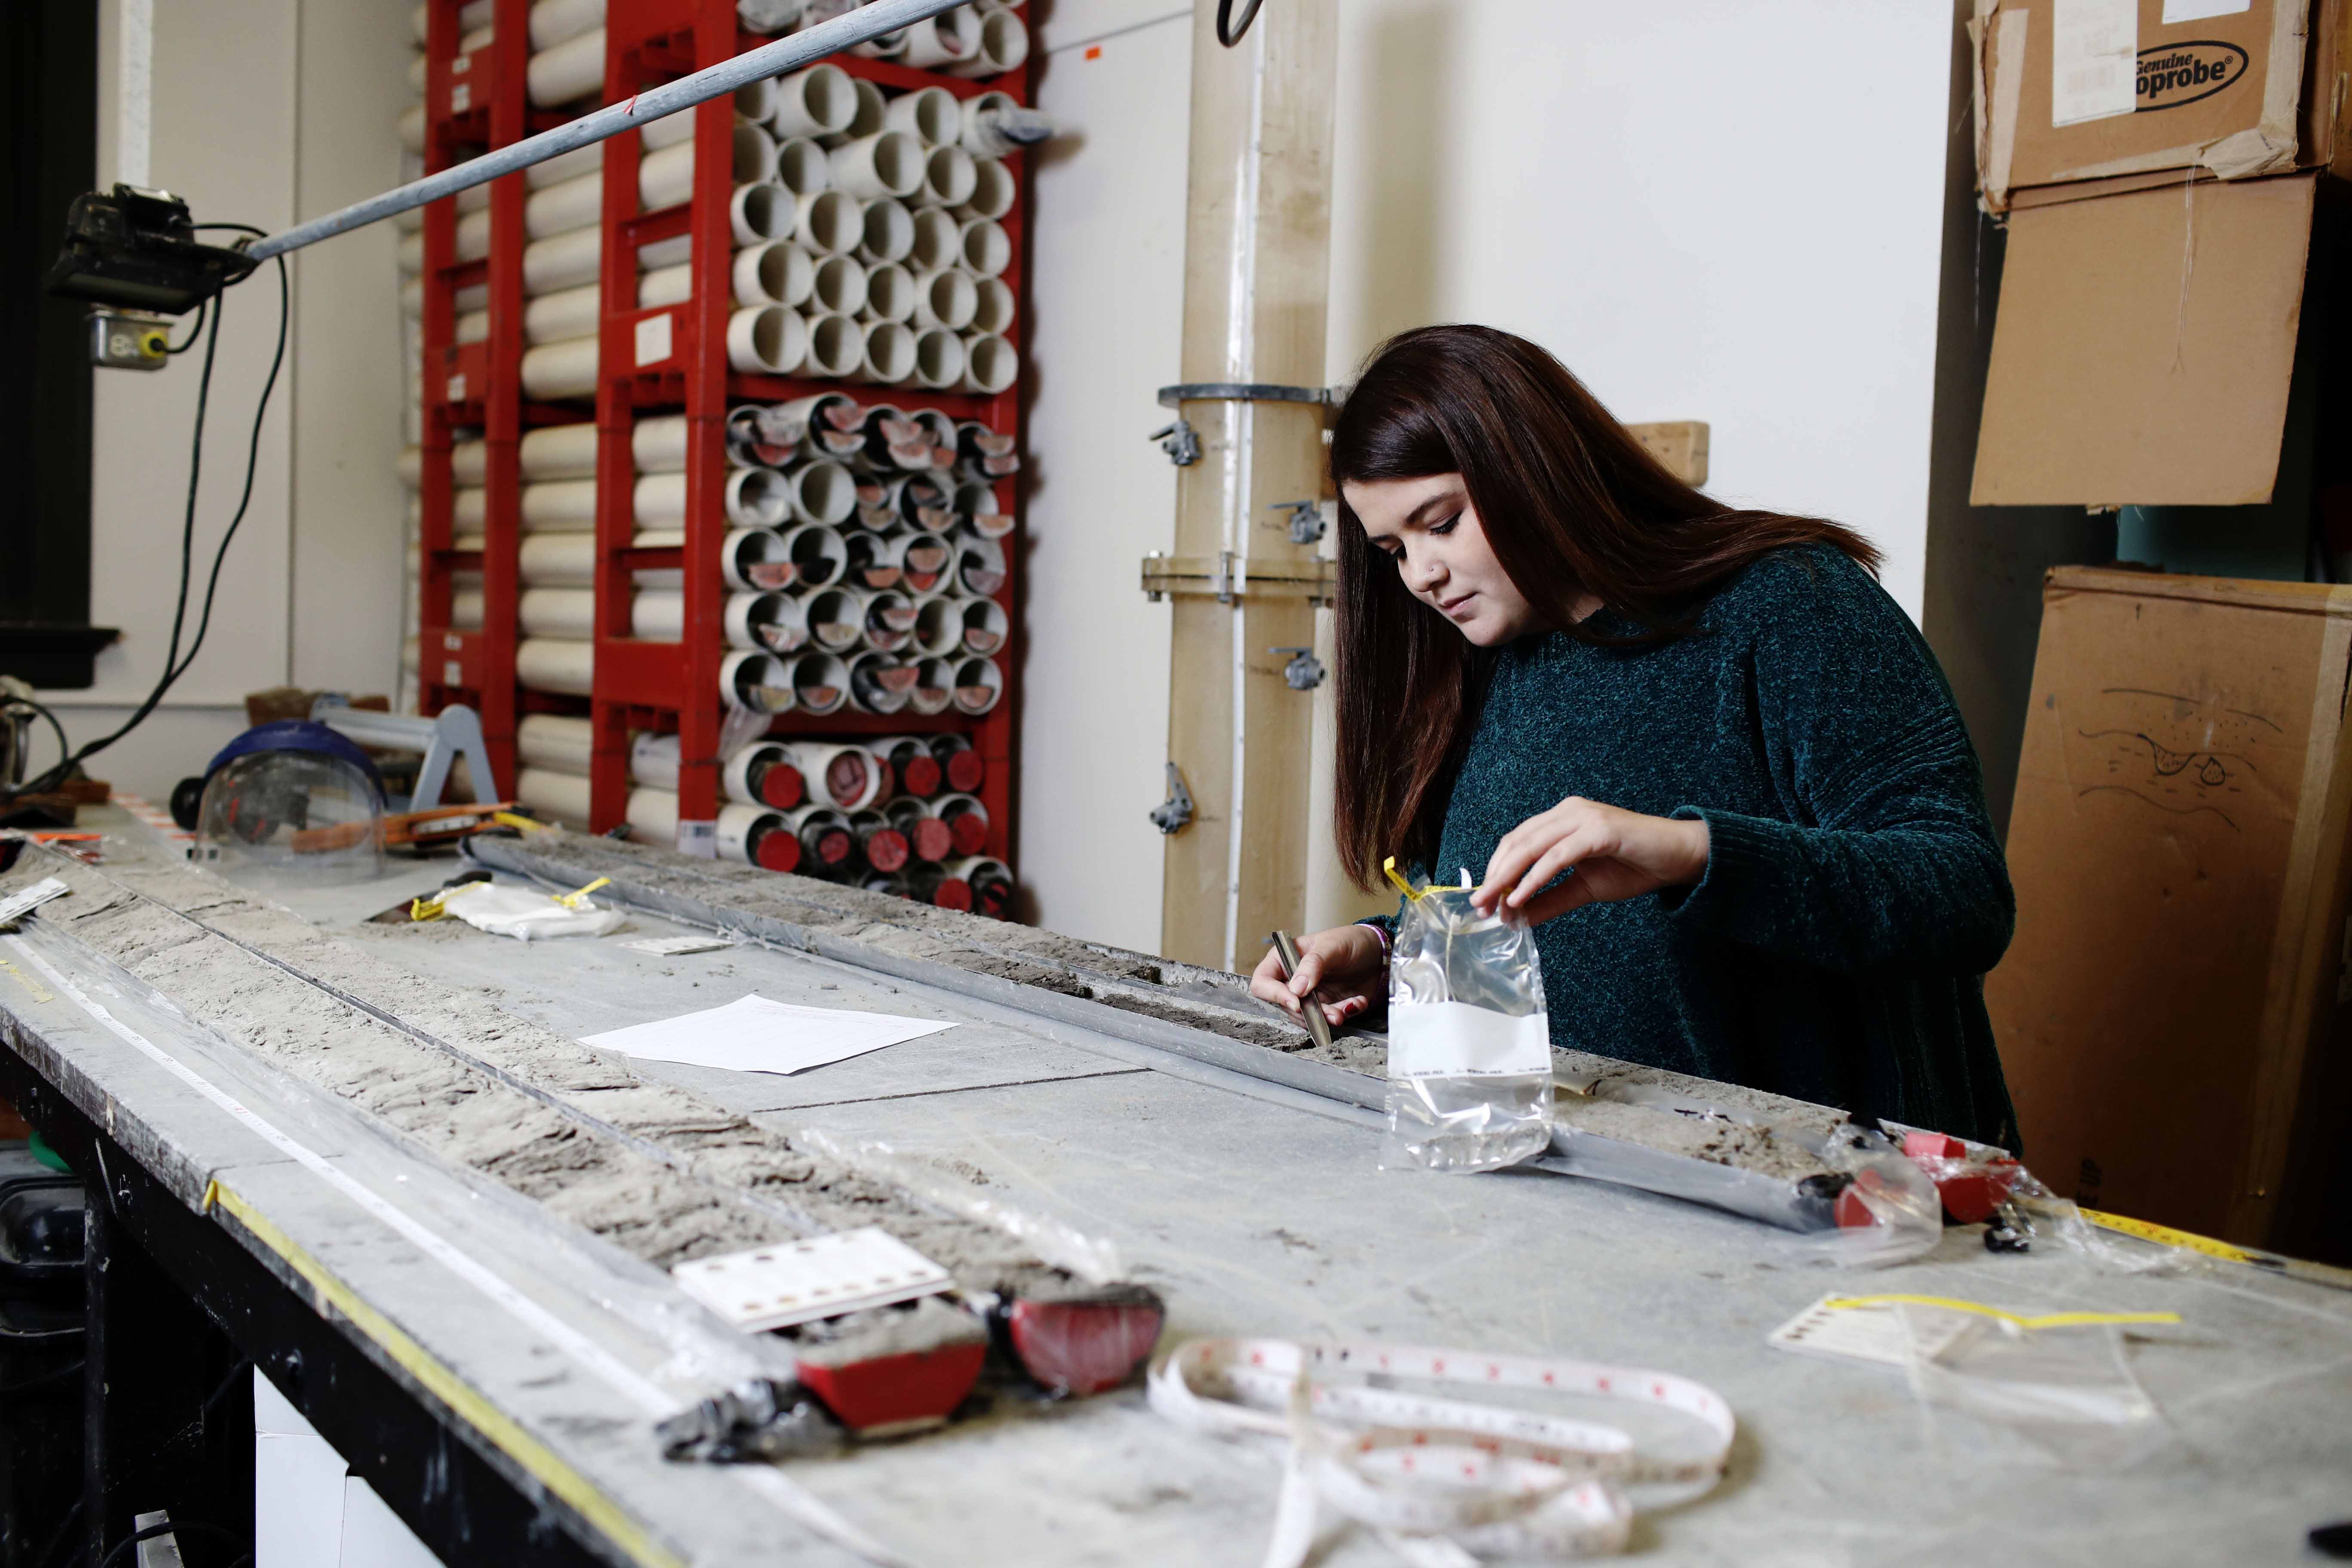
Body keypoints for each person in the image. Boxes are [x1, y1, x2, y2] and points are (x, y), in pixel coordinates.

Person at [1249, 325, 2018, 1148]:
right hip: (1597, 1187)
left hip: (1834, 1202)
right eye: (1394, 549)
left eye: (1442, 522)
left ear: (1531, 467)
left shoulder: (1791, 605)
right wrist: (1389, 950)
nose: (1421, 575)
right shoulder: (1478, 662)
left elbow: (1964, 896)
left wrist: (1692, 852)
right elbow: (1533, 922)